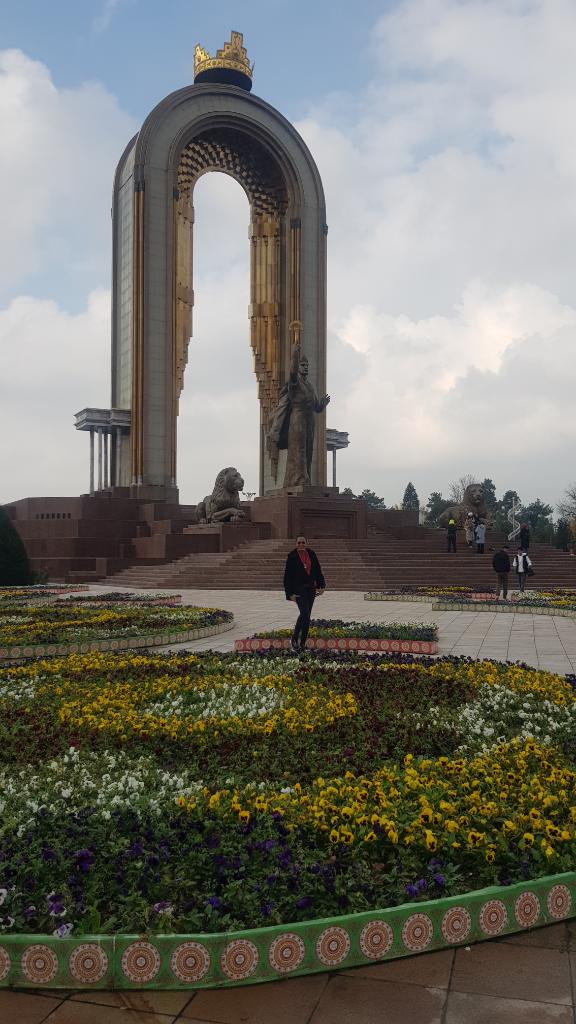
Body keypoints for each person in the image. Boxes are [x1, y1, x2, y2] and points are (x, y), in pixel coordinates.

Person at [268, 336, 330, 488]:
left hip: (309, 421)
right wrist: (295, 355)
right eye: (303, 365)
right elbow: (292, 373)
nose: (306, 367)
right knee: (298, 451)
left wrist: (322, 404)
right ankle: (296, 480)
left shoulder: (309, 385)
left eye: (307, 365)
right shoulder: (295, 383)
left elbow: (315, 406)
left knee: (308, 452)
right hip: (297, 420)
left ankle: (305, 479)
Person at [283, 534, 326, 651]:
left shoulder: (311, 554)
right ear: (296, 544)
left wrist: (321, 585)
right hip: (299, 589)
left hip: (311, 589)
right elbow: (287, 577)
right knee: (305, 613)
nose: (301, 544)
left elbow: (317, 569)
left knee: (306, 615)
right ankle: (294, 639)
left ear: (306, 543)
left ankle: (302, 643)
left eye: (303, 542)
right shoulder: (292, 556)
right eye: (299, 543)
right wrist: (289, 594)